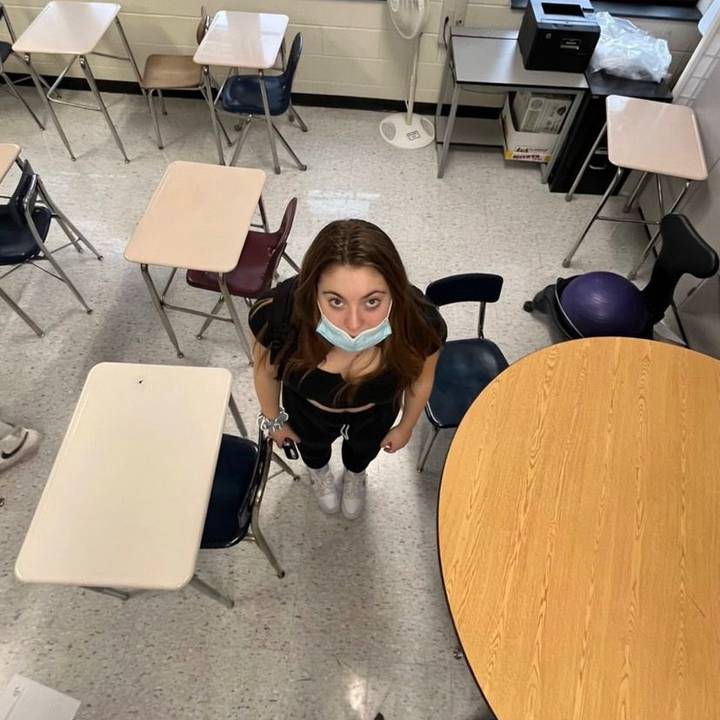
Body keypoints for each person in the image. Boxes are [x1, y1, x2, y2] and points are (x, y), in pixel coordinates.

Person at [249, 219, 446, 520]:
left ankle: (356, 475)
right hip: (306, 411)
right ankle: (319, 472)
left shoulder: (421, 324)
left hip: (375, 414)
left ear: (394, 292)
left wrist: (405, 426)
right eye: (336, 301)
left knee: (362, 453)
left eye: (372, 301)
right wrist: (274, 421)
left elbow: (421, 380)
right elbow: (265, 372)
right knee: (312, 450)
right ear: (313, 291)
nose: (354, 324)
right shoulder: (277, 316)